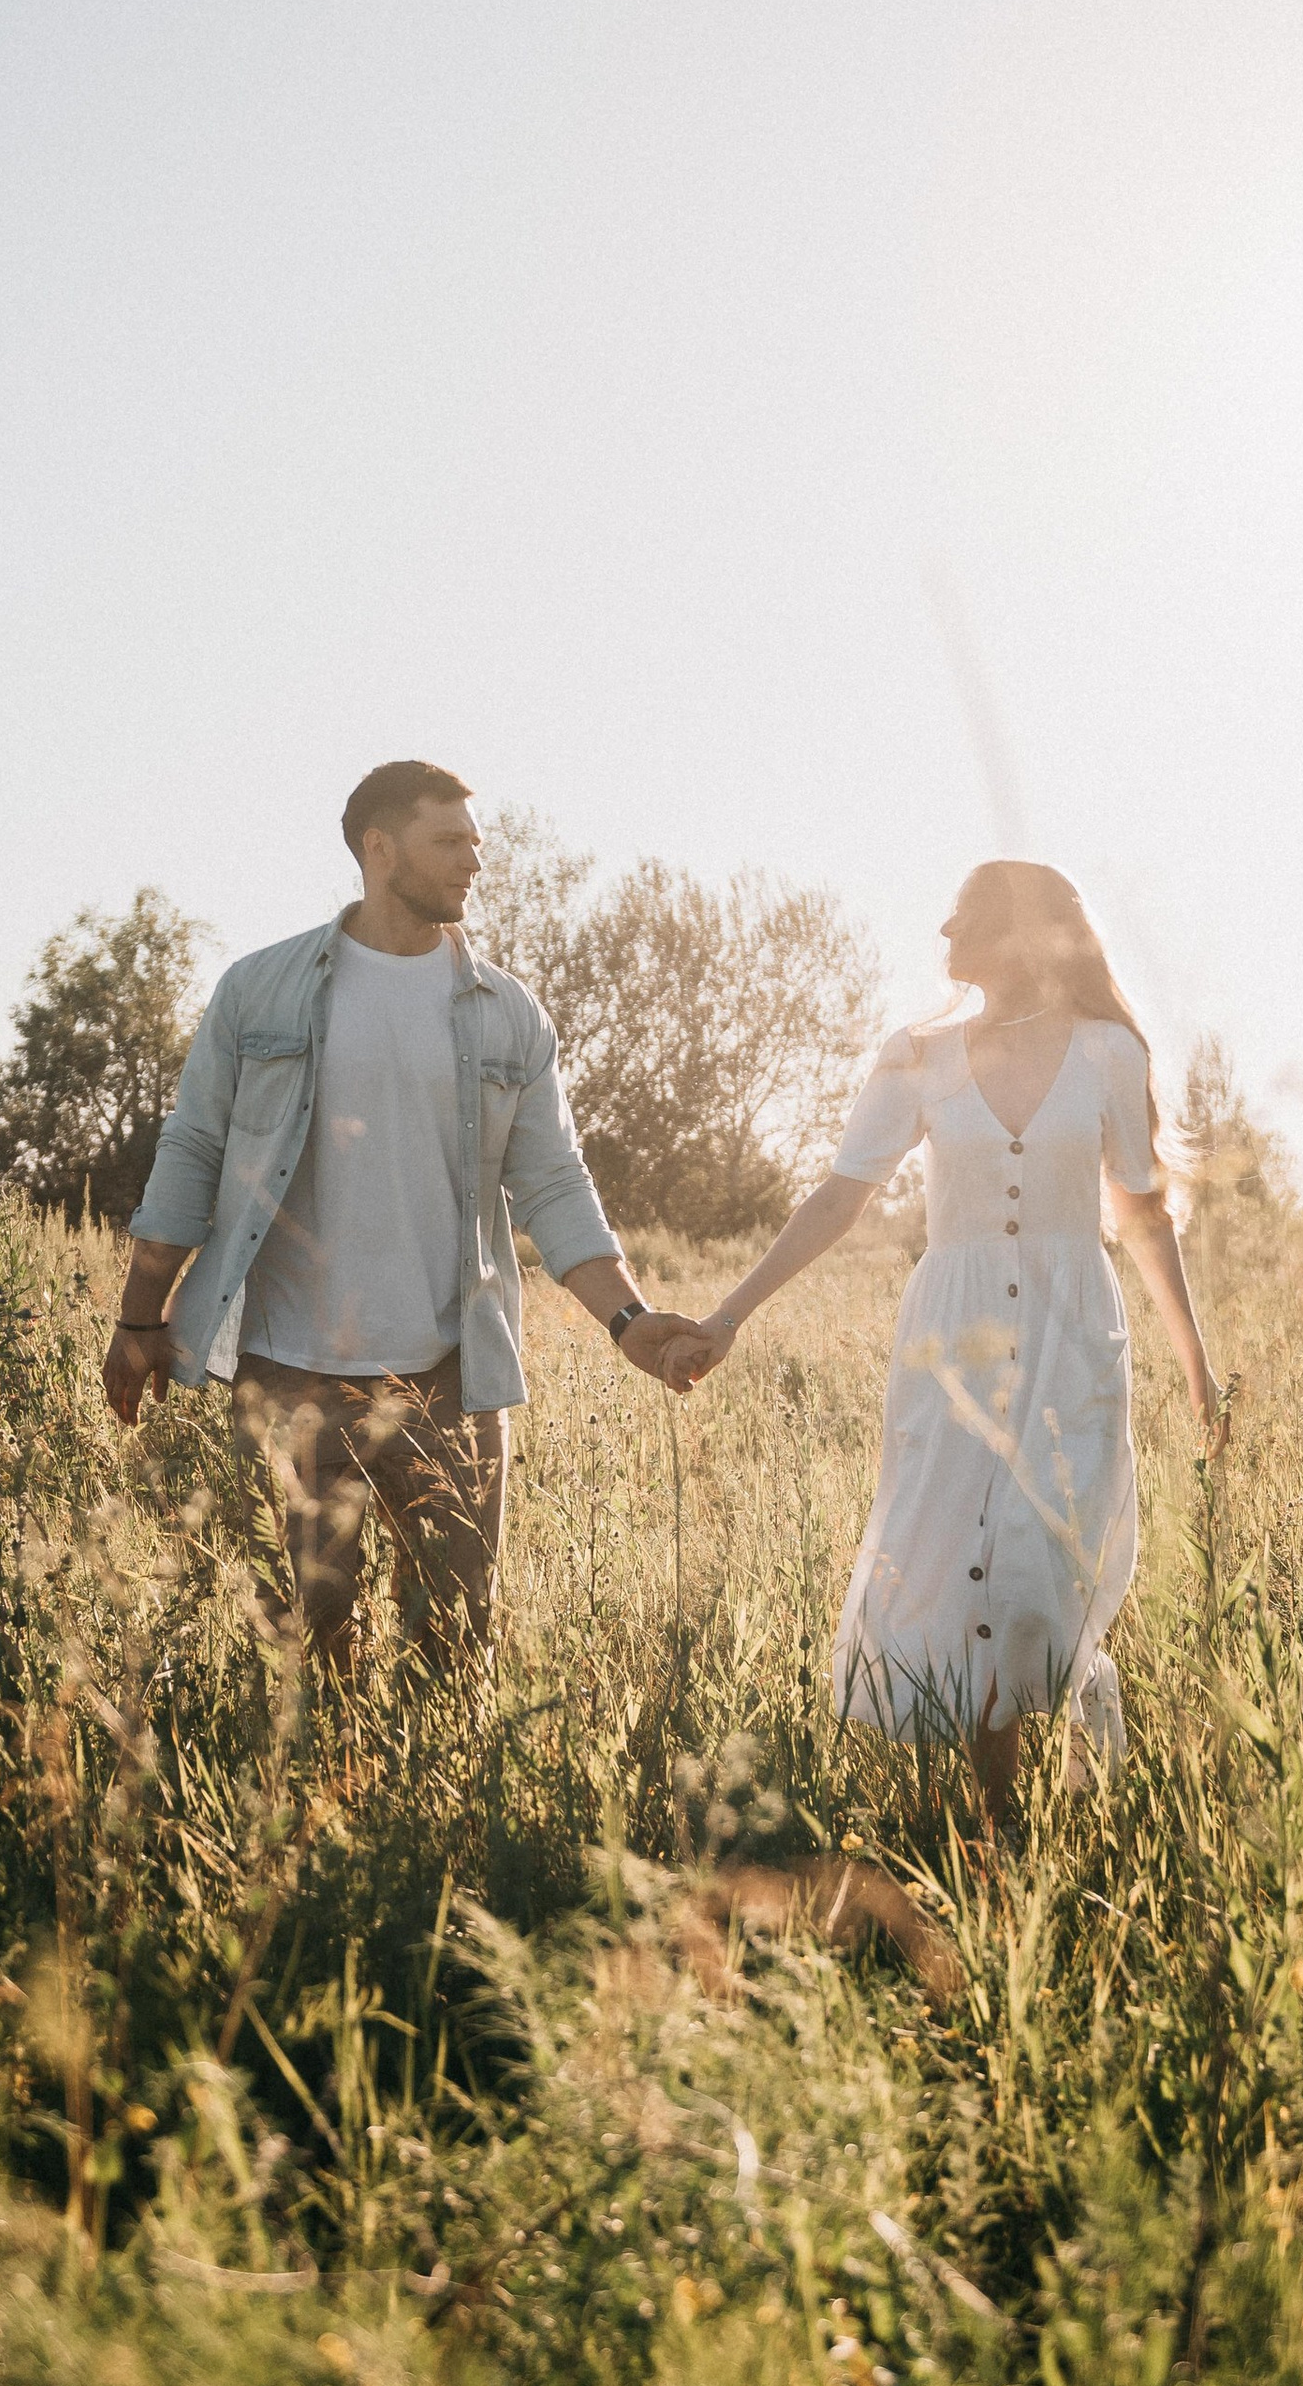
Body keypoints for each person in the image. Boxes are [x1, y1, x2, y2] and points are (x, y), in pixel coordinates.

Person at [103, 759, 700, 1667]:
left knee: (455, 1652)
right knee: (310, 1661)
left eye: (476, 842)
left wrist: (629, 1319)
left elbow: (556, 1183)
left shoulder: (508, 1015)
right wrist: (140, 1314)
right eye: (449, 840)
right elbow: (192, 1154)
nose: (473, 861)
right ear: (378, 849)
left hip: (448, 1382)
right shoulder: (259, 991)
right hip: (288, 1377)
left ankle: (443, 1813)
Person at [671, 860, 1225, 1807]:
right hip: (953, 1344)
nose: (943, 932)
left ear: (1020, 935)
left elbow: (1142, 1217)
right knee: (965, 1570)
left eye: (963, 917)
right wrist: (729, 1317)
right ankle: (992, 1817)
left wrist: (1197, 1369)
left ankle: (1059, 1741)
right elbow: (841, 1196)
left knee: (1041, 1568)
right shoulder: (916, 1055)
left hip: (1073, 1331)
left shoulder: (1108, 1054)